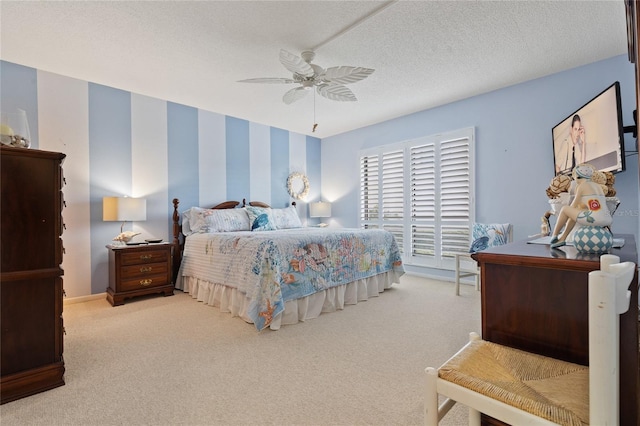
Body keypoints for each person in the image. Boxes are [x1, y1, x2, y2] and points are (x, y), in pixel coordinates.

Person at [550, 163, 611, 248]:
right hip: (607, 218)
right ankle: (563, 238)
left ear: (577, 177)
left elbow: (572, 206)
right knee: (576, 213)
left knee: (565, 209)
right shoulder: (598, 186)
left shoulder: (581, 186)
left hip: (595, 218)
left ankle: (554, 235)